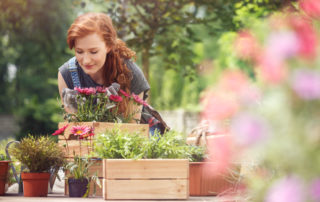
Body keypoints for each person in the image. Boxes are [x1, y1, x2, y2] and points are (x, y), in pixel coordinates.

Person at [58, 12, 150, 123]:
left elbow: (132, 132)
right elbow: (74, 128)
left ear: (108, 46)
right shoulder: (67, 75)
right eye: (79, 51)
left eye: (93, 52)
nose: (86, 60)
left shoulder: (130, 73)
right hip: (85, 139)